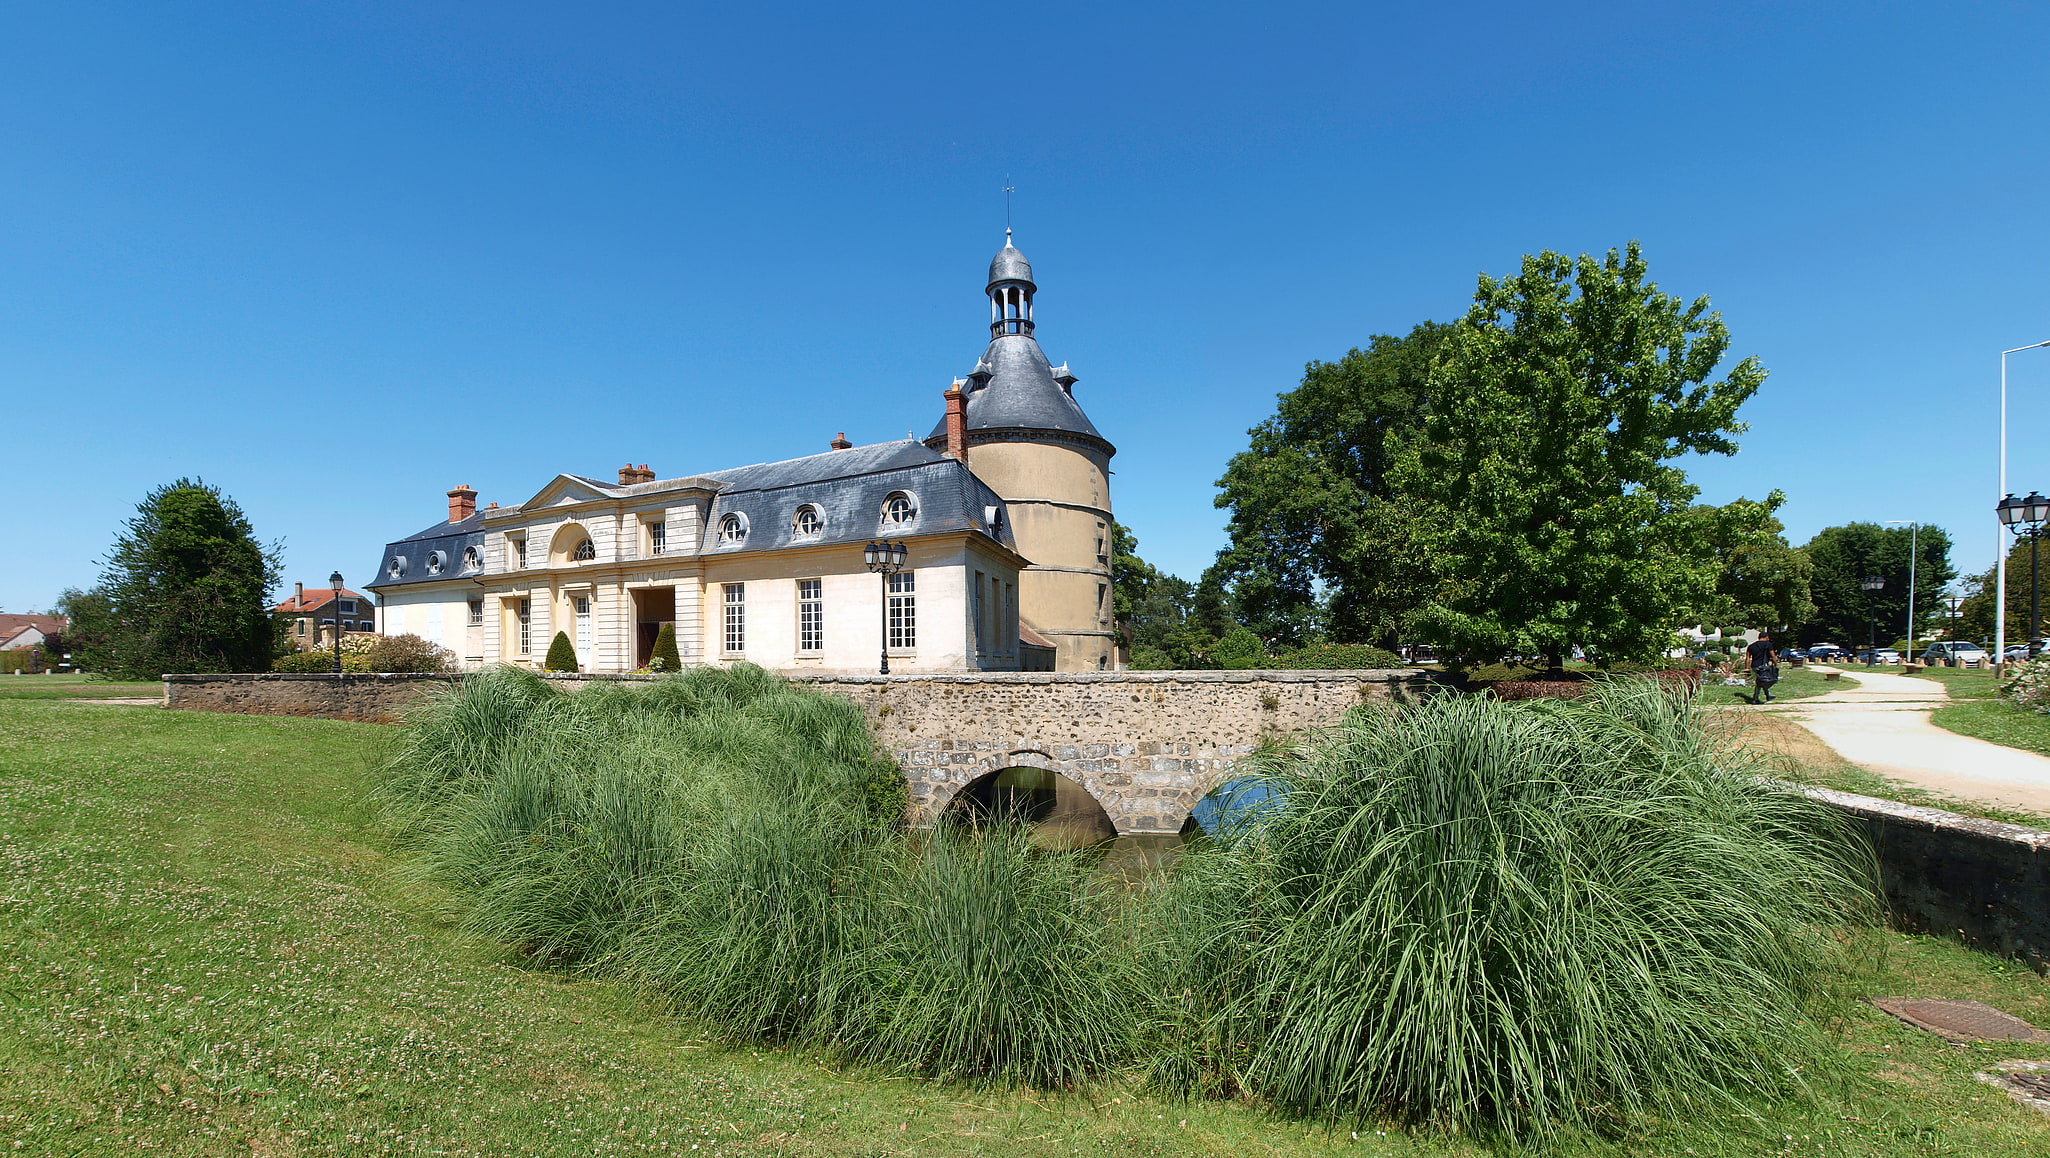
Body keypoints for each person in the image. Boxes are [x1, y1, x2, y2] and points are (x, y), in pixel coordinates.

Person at [1746, 631, 1780, 703]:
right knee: (1764, 681)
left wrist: (1747, 668)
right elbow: (1772, 655)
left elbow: (1748, 658)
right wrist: (1776, 664)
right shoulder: (1768, 644)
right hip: (1763, 666)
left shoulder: (1751, 646)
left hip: (1754, 666)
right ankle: (1755, 699)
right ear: (1767, 637)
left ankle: (1768, 695)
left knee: (1761, 681)